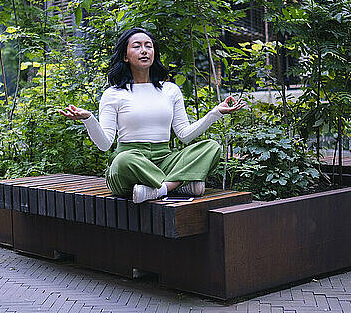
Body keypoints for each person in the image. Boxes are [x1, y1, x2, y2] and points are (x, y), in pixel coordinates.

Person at [59, 28, 243, 203]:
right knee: (122, 161)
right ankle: (180, 183)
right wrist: (88, 119)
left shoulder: (170, 90)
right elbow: (105, 144)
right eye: (137, 46)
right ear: (125, 56)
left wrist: (216, 113)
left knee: (210, 147)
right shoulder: (113, 94)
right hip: (131, 162)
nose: (144, 50)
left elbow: (185, 135)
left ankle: (161, 189)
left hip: (165, 160)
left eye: (149, 46)